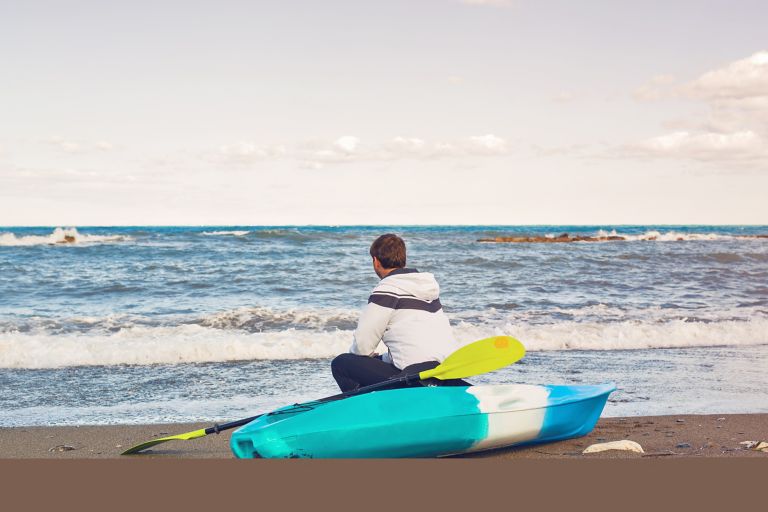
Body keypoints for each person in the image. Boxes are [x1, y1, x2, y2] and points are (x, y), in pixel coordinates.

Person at [331, 233, 468, 392]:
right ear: (403, 259)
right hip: (443, 372)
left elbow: (362, 345)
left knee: (342, 364)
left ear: (375, 261)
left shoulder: (387, 289)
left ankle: (369, 411)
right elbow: (414, 343)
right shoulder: (428, 290)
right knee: (381, 359)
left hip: (414, 377)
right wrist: (381, 359)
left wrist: (363, 357)